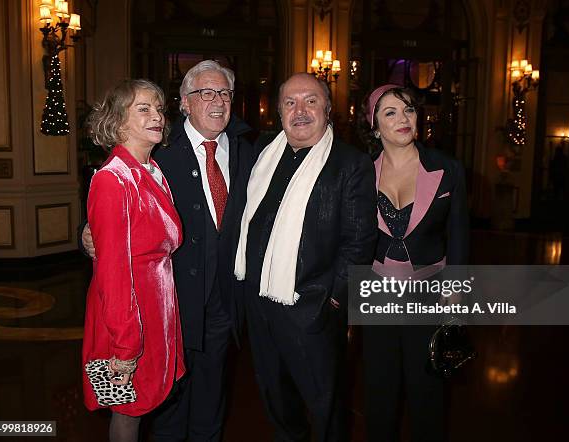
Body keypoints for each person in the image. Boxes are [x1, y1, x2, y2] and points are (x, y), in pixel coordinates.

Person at [82, 61, 256, 442]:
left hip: (210, 307)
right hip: (164, 306)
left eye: (224, 93)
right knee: (153, 412)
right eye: (205, 92)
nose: (217, 101)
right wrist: (90, 231)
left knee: (207, 401)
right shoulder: (162, 152)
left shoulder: (249, 152)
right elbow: (114, 229)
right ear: (186, 103)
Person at [234, 72, 377, 442]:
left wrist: (331, 300)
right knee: (275, 397)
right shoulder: (261, 153)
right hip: (259, 304)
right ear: (278, 111)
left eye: (311, 101)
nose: (300, 110)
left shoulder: (350, 164)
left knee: (324, 404)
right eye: (290, 102)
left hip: (311, 308)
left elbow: (359, 243)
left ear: (328, 110)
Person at [360, 84, 469, 442]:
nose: (403, 119)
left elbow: (460, 238)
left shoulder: (448, 169)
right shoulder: (360, 173)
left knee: (428, 396)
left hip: (430, 297)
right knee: (380, 394)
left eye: (408, 110)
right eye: (390, 112)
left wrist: (455, 301)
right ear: (375, 126)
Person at [81, 79, 186, 442]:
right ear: (118, 121)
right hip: (128, 315)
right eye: (144, 108)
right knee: (127, 412)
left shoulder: (153, 172)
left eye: (158, 108)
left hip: (157, 308)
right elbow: (112, 272)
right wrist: (125, 347)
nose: (157, 115)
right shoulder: (112, 180)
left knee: (143, 406)